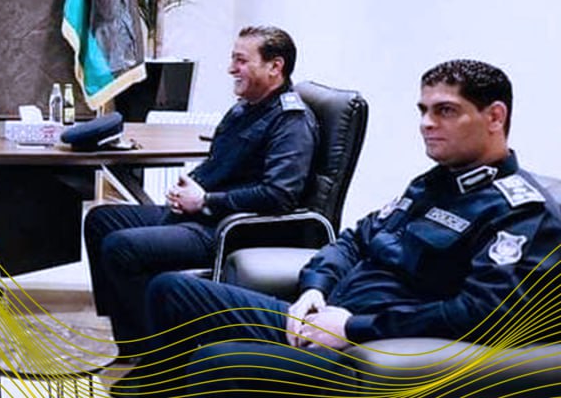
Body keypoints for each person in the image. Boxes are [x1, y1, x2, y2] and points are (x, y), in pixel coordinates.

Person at [132, 59, 561, 396]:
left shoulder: (522, 213)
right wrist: (314, 289)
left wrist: (354, 327)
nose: (427, 123)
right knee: (171, 291)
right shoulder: (433, 183)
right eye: (424, 110)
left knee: (218, 361)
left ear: (495, 117)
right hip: (322, 318)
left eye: (445, 111)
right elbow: (355, 240)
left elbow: (482, 315)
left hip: (366, 347)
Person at [84, 25, 318, 355]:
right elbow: (220, 164)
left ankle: (154, 355)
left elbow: (279, 194)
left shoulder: (291, 121)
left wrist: (205, 200)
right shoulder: (245, 108)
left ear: (275, 66)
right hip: (203, 214)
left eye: (241, 61)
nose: (231, 69)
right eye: (232, 59)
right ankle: (132, 339)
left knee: (122, 247)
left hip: (228, 228)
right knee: (101, 220)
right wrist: (189, 188)